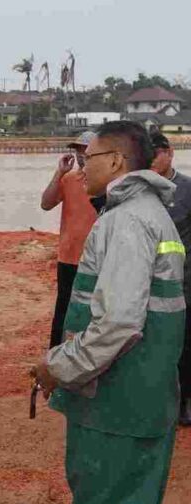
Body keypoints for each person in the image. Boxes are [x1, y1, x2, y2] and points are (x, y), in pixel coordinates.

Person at [33, 120, 185, 503]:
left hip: (117, 405)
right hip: (141, 396)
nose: (82, 167)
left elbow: (117, 323)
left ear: (116, 161)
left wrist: (58, 366)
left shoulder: (127, 221)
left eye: (90, 157)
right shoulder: (146, 212)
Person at [40, 131, 99, 349]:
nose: (82, 155)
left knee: (95, 309)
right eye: (78, 150)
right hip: (68, 257)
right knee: (63, 309)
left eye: (87, 151)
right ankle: (56, 355)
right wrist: (59, 172)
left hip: (96, 258)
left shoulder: (106, 183)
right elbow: (46, 203)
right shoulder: (68, 178)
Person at [150, 132, 191, 426]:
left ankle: (184, 401)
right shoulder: (140, 189)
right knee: (154, 343)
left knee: (185, 343)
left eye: (157, 153)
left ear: (170, 153)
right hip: (149, 281)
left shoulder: (187, 189)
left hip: (185, 281)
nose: (152, 160)